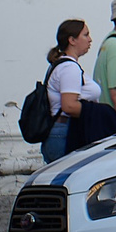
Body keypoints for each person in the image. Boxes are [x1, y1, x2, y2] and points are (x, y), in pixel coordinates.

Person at [41, 19, 99, 162]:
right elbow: (69, 105)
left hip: (61, 131)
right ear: (72, 40)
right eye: (85, 35)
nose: (90, 40)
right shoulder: (69, 68)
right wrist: (99, 113)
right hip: (65, 133)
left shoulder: (62, 65)